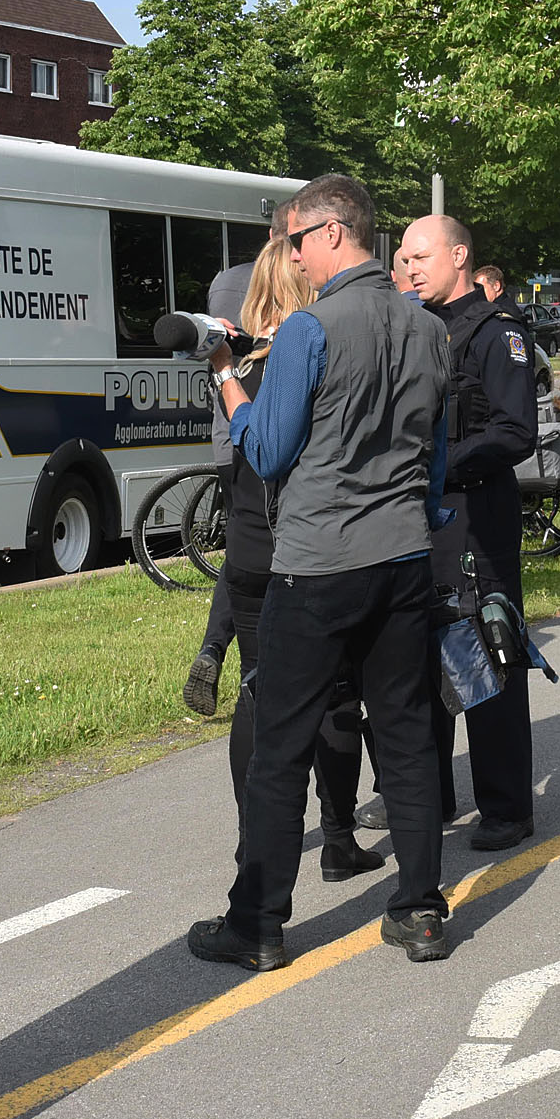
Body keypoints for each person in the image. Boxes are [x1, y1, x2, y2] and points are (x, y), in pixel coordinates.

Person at [188, 174, 454, 970]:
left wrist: (225, 377)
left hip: (318, 563)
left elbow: (266, 451)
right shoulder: (427, 328)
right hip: (404, 556)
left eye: (296, 241)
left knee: (280, 747)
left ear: (334, 232)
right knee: (405, 737)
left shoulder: (308, 331)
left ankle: (258, 924)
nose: (292, 257)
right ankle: (419, 912)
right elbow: (434, 461)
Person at [213, 234, 383, 886]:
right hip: (308, 548)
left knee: (257, 694)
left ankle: (249, 844)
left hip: (248, 547)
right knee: (336, 696)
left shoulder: (237, 363)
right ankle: (337, 836)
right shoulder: (315, 347)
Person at [401, 213, 540, 851]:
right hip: (417, 519)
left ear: (459, 257)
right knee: (419, 655)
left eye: (421, 256)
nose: (409, 267)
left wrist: (436, 468)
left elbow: (514, 434)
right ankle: (432, 794)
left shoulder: (496, 332)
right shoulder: (415, 327)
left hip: (476, 515)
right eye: (403, 258)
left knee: (488, 650)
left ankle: (507, 807)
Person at [180, 213, 284, 717]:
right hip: (272, 447)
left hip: (230, 439)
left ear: (270, 233)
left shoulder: (227, 282)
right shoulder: (302, 290)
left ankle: (218, 651)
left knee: (244, 550)